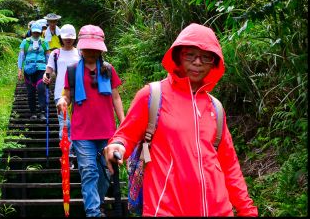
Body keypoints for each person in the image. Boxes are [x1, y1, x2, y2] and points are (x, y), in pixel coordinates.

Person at [103, 23, 258, 217]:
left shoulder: (215, 108)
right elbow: (126, 135)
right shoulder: (152, 96)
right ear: (178, 56)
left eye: (206, 57)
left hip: (218, 210)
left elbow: (230, 165)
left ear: (214, 62)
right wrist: (118, 145)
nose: (198, 62)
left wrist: (247, 210)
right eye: (190, 55)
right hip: (165, 209)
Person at [56, 25, 125, 217]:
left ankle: (98, 202)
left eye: (95, 49)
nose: (92, 52)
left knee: (105, 173)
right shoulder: (72, 71)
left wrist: (124, 123)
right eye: (88, 48)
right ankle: (93, 212)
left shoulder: (108, 70)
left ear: (101, 49)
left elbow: (116, 97)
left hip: (107, 132)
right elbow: (67, 96)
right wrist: (62, 100)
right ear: (81, 48)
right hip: (81, 132)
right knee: (89, 172)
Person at [43, 23, 80, 167]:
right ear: (61, 38)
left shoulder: (80, 53)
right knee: (65, 125)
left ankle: (77, 153)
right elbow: (49, 70)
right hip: (60, 94)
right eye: (66, 38)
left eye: (71, 38)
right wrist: (46, 77)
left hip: (78, 94)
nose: (68, 40)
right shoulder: (55, 53)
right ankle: (67, 155)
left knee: (77, 124)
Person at [18, 22, 50, 120]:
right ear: (31, 31)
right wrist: (19, 69)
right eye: (34, 32)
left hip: (41, 69)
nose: (36, 34)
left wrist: (49, 70)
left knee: (41, 89)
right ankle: (33, 112)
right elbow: (21, 56)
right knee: (30, 92)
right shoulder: (25, 42)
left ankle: (42, 112)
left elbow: (48, 56)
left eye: (38, 32)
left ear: (40, 32)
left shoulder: (44, 42)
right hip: (28, 69)